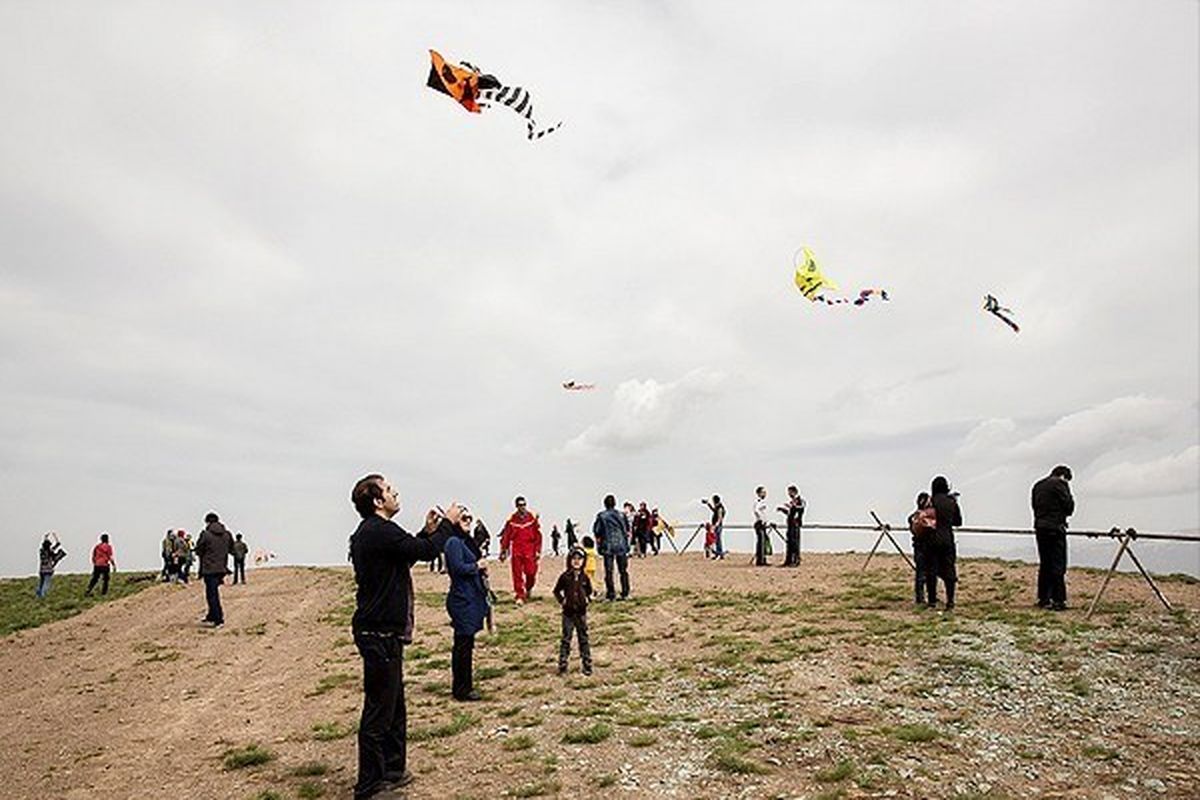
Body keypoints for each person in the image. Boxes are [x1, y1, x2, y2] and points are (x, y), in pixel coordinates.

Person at [347, 473, 462, 799]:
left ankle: (393, 771)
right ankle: (369, 787)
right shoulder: (377, 530)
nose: (395, 492)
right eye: (388, 490)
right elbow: (426, 552)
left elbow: (406, 552)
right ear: (377, 501)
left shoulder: (377, 534)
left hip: (385, 632)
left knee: (394, 706)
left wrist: (427, 531)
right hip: (378, 632)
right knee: (380, 710)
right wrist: (447, 526)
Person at [444, 508, 488, 702]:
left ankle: (465, 686)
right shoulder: (453, 542)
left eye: (470, 517)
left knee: (467, 644)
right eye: (463, 517)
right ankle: (461, 689)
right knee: (462, 645)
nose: (468, 521)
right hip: (462, 600)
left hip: (471, 598)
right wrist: (477, 566)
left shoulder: (465, 542)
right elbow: (456, 568)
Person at [1032, 465, 1075, 611]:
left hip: (1040, 527)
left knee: (1045, 564)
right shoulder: (1060, 484)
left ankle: (1044, 598)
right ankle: (1058, 600)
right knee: (1058, 564)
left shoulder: (1037, 485)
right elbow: (1069, 508)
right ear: (1064, 476)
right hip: (1055, 528)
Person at [554, 547, 593, 675]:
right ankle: (563, 664)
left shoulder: (585, 577)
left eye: (579, 559)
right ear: (569, 560)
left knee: (583, 639)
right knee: (566, 639)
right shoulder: (565, 577)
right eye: (574, 559)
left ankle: (587, 665)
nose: (576, 561)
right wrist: (562, 600)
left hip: (581, 613)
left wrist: (587, 599)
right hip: (568, 613)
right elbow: (556, 591)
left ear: (583, 561)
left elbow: (589, 591)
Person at [928, 476, 963, 611]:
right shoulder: (951, 502)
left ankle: (932, 601)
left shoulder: (930, 501)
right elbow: (958, 522)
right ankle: (950, 601)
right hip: (947, 539)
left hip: (931, 540)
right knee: (949, 571)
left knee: (932, 571)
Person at [499, 496, 542, 606]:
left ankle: (528, 588)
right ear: (516, 506)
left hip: (529, 548)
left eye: (523, 505)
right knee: (517, 573)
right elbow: (506, 536)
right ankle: (519, 595)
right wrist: (504, 550)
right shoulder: (512, 521)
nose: (522, 507)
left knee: (531, 572)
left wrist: (538, 550)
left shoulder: (532, 519)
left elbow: (538, 535)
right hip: (517, 549)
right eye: (520, 505)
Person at [194, 512, 235, 626]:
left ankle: (218, 619)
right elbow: (232, 549)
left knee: (212, 594)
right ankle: (211, 615)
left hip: (209, 568)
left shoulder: (206, 534)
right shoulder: (227, 534)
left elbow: (199, 550)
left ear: (207, 522)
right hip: (221, 568)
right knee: (212, 592)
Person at [593, 494, 631, 601]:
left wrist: (599, 544)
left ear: (605, 504)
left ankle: (611, 594)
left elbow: (597, 531)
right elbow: (627, 529)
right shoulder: (622, 515)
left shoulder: (601, 516)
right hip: (621, 545)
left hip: (607, 546)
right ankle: (625, 592)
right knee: (623, 570)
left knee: (609, 571)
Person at [907, 492, 936, 605]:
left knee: (920, 573)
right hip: (929, 546)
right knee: (930, 572)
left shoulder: (913, 516)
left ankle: (920, 598)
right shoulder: (930, 515)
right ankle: (930, 597)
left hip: (918, 546)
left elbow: (912, 528)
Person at [777, 485, 806, 567]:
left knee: (795, 543)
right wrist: (783, 510)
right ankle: (788, 560)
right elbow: (790, 513)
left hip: (795, 524)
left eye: (790, 492)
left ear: (794, 492)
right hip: (790, 524)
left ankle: (796, 560)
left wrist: (792, 506)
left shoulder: (800, 500)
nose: (789, 494)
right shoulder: (792, 501)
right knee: (789, 542)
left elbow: (801, 508)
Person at [36, 534, 67, 599]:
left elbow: (45, 545)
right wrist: (55, 537)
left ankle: (38, 596)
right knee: (46, 584)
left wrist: (45, 538)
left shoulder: (42, 551)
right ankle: (42, 596)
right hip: (48, 570)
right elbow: (58, 544)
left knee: (41, 584)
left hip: (41, 569)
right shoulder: (50, 552)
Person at [702, 495, 726, 559]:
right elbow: (714, 510)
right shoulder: (717, 507)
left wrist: (715, 525)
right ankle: (718, 554)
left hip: (717, 526)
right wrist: (708, 504)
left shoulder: (720, 508)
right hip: (716, 525)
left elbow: (720, 518)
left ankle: (720, 554)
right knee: (717, 540)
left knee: (718, 540)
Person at [753, 487, 770, 566]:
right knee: (761, 542)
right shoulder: (758, 502)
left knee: (763, 542)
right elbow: (756, 511)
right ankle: (760, 561)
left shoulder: (763, 502)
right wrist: (761, 519)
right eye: (763, 492)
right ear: (759, 493)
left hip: (763, 524)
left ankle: (763, 559)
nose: (765, 494)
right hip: (759, 523)